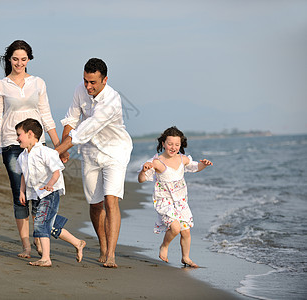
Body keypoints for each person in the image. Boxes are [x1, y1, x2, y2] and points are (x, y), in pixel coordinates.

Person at [0, 40, 60, 258]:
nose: (19, 63)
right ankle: (26, 245)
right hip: (11, 144)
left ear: (29, 59)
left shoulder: (38, 83)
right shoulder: (0, 86)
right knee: (20, 194)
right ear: (9, 59)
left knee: (39, 192)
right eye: (15, 58)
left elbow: (46, 115)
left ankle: (39, 236)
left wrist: (57, 145)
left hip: (38, 145)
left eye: (23, 59)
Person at [55, 58, 133, 268]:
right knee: (95, 203)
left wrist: (55, 153)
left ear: (105, 80)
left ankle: (111, 254)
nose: (88, 86)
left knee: (110, 200)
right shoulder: (80, 89)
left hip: (115, 151)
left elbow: (85, 128)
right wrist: (63, 151)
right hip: (90, 152)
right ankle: (103, 245)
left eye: (93, 82)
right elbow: (71, 120)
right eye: (85, 81)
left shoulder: (112, 100)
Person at [138, 126, 212, 268]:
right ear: (163, 143)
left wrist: (204, 164)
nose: (173, 147)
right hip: (165, 201)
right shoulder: (157, 162)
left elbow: (195, 167)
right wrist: (144, 170)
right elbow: (141, 179)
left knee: (186, 232)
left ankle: (186, 257)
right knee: (176, 228)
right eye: (170, 144)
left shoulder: (183, 159)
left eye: (176, 144)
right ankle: (164, 246)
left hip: (181, 201)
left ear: (181, 145)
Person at [15, 118, 86, 267]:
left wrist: (49, 184)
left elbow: (56, 172)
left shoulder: (45, 152)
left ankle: (46, 258)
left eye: (19, 134)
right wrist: (22, 192)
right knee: (50, 224)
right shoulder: (22, 156)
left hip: (50, 193)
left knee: (41, 222)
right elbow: (23, 175)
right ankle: (78, 243)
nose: (17, 138)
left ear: (30, 134)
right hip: (35, 195)